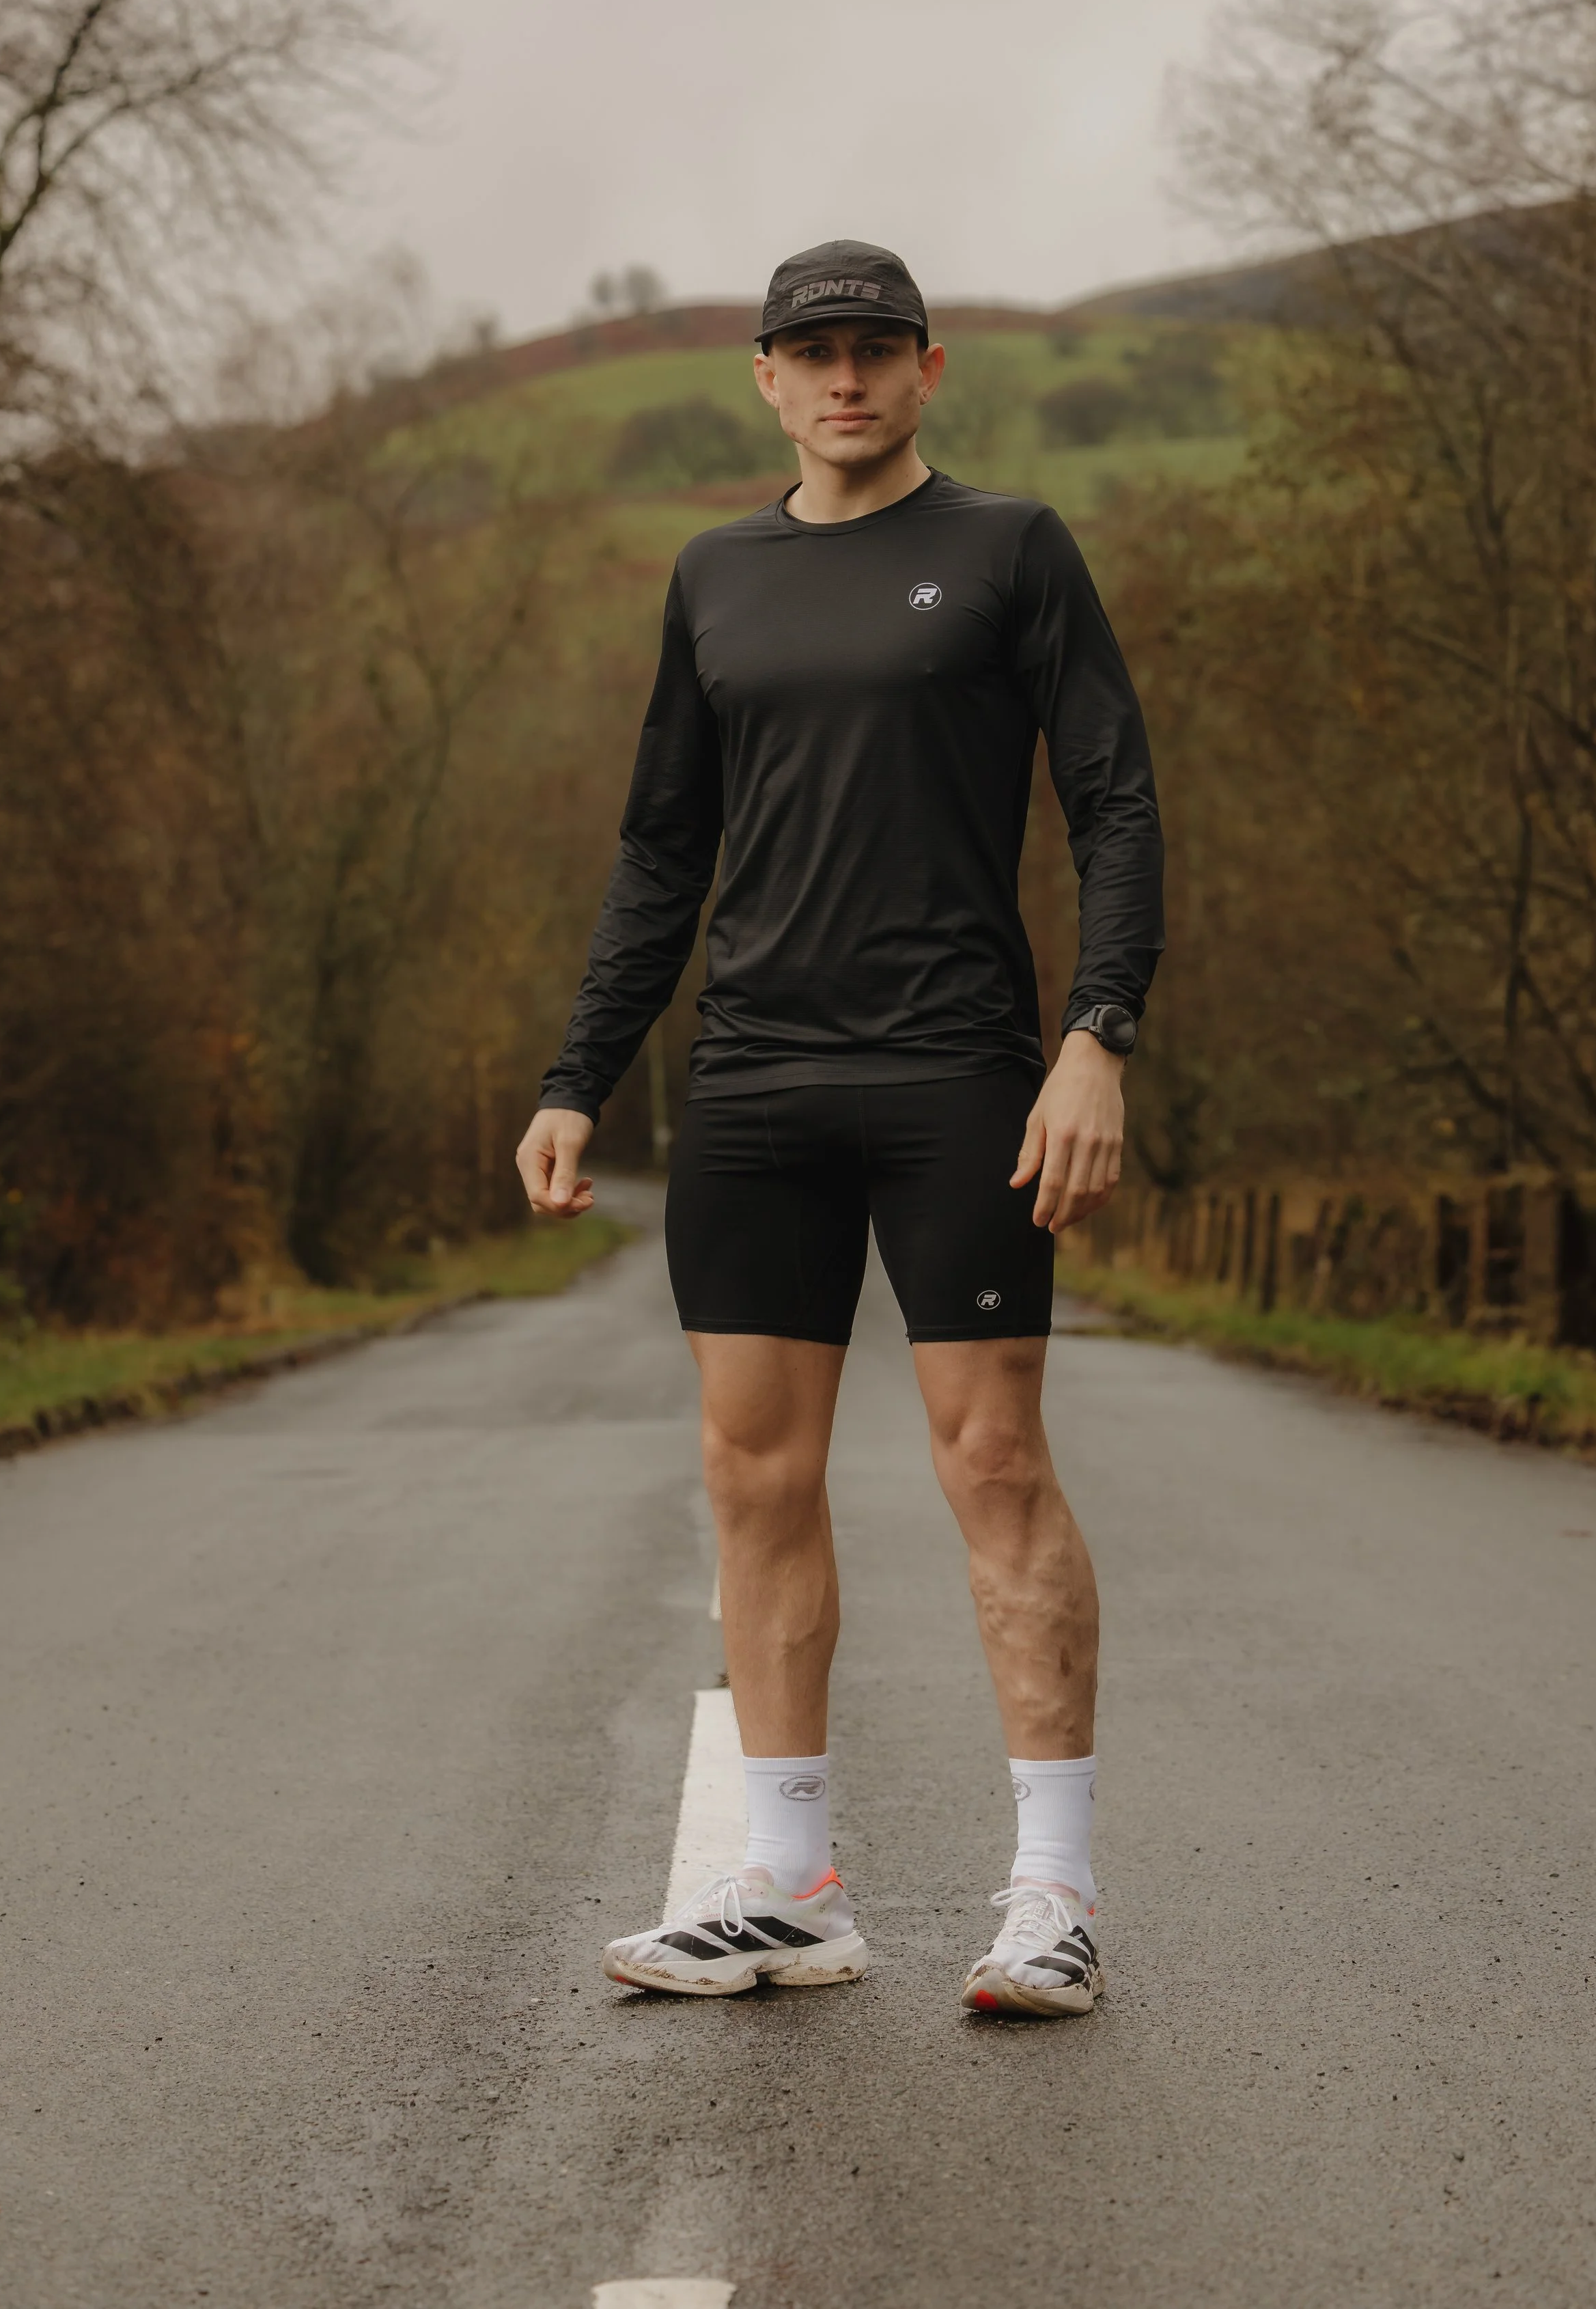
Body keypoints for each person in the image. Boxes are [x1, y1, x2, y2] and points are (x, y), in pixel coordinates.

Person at [517, 240, 1163, 2017]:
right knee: (753, 1471)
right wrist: (578, 1075)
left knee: (992, 1460)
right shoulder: (713, 575)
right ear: (767, 378)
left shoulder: (1011, 550)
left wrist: (1096, 1035)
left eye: (878, 348)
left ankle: (1053, 1894)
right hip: (752, 1083)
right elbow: (663, 849)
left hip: (958, 1070)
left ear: (928, 368)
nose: (847, 377)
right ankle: (791, 1887)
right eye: (815, 353)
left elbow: (1113, 801)